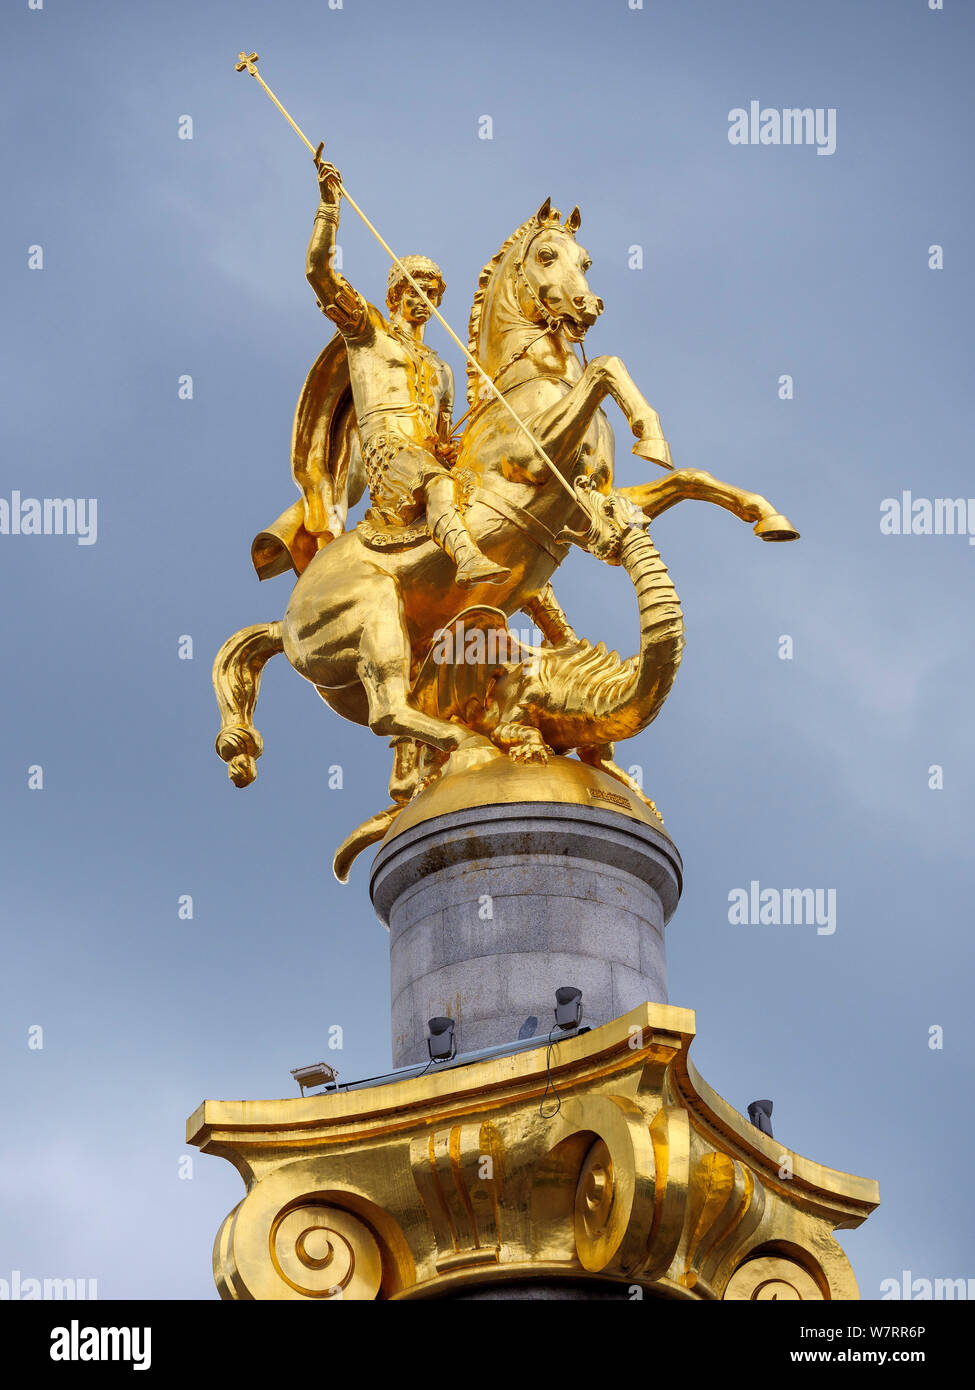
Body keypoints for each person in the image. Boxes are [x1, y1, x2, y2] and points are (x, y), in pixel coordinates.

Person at [305, 156, 510, 587]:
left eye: (432, 293)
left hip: (426, 456)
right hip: (388, 452)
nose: (425, 299)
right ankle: (468, 560)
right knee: (436, 482)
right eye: (416, 289)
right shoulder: (369, 331)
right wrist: (329, 210)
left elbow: (442, 435)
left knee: (498, 503)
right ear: (397, 293)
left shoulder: (442, 367)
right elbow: (319, 274)